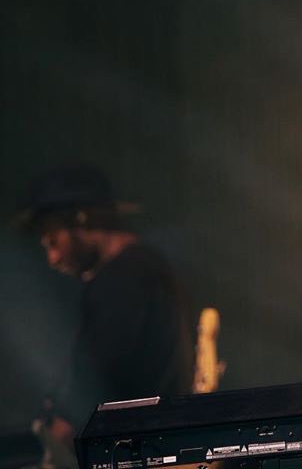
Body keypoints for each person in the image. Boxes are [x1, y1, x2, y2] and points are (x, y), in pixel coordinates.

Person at [13, 164, 194, 457]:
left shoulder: (124, 278)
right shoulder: (150, 269)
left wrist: (63, 425)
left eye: (53, 242)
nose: (53, 259)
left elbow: (97, 380)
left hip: (135, 452)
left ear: (80, 220)